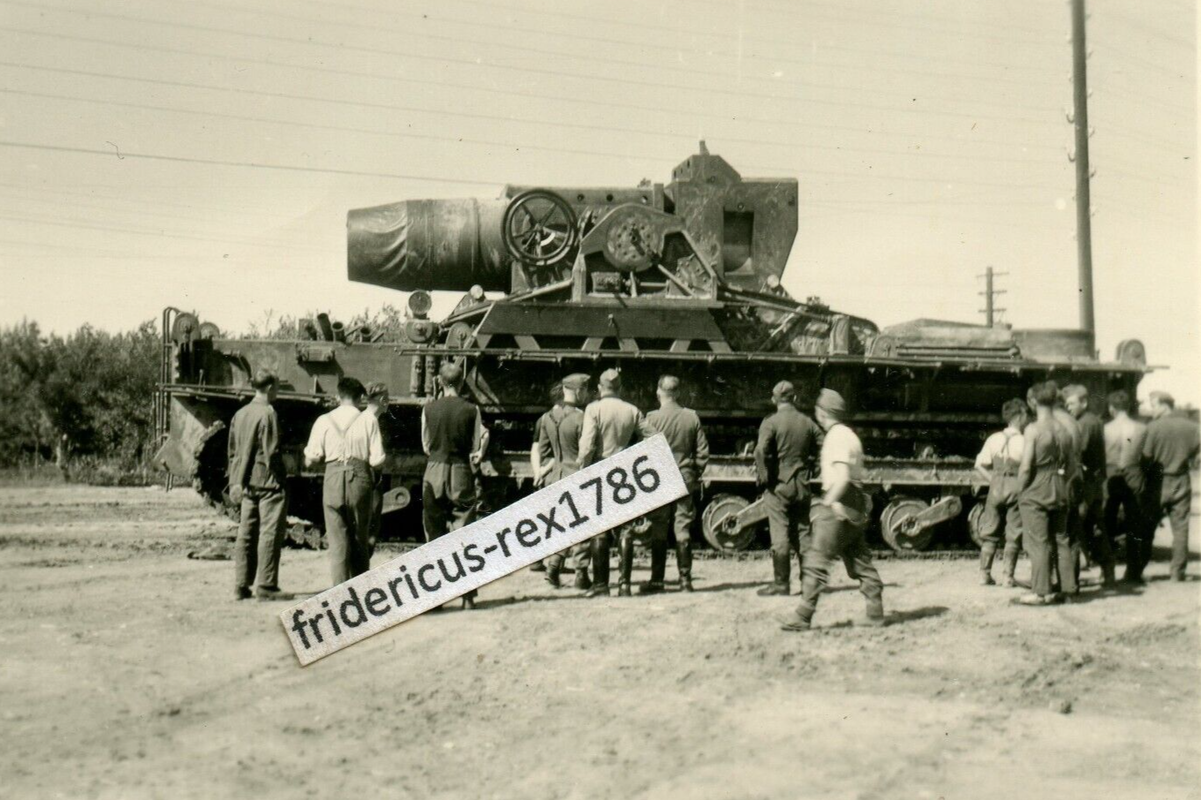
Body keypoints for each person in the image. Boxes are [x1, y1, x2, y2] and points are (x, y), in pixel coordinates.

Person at [777, 389, 884, 631]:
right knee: (859, 560)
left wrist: (828, 503)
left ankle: (803, 616)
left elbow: (842, 477)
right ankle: (875, 612)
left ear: (822, 413)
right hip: (856, 503)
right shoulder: (851, 436)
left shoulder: (835, 437)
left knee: (816, 559)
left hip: (840, 502)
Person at [578, 368, 654, 598]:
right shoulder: (632, 410)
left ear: (600, 388)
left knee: (599, 530)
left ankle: (601, 585)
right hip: (624, 472)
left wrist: (583, 467)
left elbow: (588, 445)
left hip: (599, 470)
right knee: (626, 530)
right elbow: (653, 436)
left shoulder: (593, 409)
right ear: (620, 388)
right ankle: (624, 585)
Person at [421, 362, 489, 609]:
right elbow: (474, 446)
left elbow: (425, 445)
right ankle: (468, 596)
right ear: (462, 383)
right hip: (460, 471)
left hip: (434, 470)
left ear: (439, 381)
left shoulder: (428, 409)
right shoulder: (472, 410)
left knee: (433, 532)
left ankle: (434, 597)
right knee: (465, 532)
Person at [227, 368, 292, 601]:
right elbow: (272, 451)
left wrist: (237, 480)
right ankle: (266, 585)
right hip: (267, 482)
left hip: (246, 483)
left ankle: (240, 585)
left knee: (246, 533)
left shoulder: (241, 413)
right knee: (269, 532)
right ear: (271, 387)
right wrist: (281, 479)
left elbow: (232, 450)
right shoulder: (268, 413)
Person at [641, 375, 710, 593]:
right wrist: (695, 472)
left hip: (659, 477)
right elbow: (702, 452)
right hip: (684, 475)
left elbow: (645, 451)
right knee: (682, 527)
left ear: (658, 392)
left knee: (659, 527)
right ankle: (685, 581)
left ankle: (657, 580)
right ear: (678, 393)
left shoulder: (651, 418)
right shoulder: (691, 417)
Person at [754, 380, 821, 596]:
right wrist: (816, 467)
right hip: (802, 483)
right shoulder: (807, 422)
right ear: (794, 398)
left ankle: (782, 584)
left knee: (779, 533)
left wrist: (765, 478)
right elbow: (824, 443)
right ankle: (809, 584)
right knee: (803, 532)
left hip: (779, 485)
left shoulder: (770, 422)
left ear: (774, 399)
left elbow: (760, 452)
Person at [304, 377, 371, 587]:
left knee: (337, 543)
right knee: (360, 539)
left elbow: (312, 457)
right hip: (359, 478)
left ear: (337, 397)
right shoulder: (369, 420)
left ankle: (339, 595)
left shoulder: (323, 420)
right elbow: (378, 459)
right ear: (360, 398)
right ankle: (361, 592)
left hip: (332, 477)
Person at [1014, 381, 1077, 605]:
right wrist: (1061, 480)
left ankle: (1040, 592)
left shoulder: (1033, 430)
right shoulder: (1065, 431)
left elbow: (1025, 467)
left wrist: (1020, 490)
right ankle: (1068, 590)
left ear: (1032, 402)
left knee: (1038, 542)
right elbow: (1071, 467)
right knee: (1061, 539)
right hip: (1060, 486)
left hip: (1037, 487)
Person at [532, 374, 592, 589]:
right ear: (577, 391)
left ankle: (553, 567)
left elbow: (544, 451)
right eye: (584, 390)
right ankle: (581, 574)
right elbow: (587, 450)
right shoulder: (582, 417)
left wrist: (541, 471)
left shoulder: (548, 417)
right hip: (575, 474)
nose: (586, 394)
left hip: (555, 476)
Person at [1139, 391, 1200, 582]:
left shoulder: (1153, 427)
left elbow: (1145, 457)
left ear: (1165, 405)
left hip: (1158, 481)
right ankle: (1177, 572)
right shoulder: (1193, 427)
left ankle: (1135, 570)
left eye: (1154, 404)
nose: (1151, 409)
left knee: (1147, 527)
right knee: (1181, 528)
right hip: (1181, 478)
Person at [1063, 384, 1115, 587]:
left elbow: (1078, 453)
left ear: (1084, 402)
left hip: (1086, 484)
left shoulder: (1084, 424)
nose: (1068, 408)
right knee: (1095, 527)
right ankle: (1108, 571)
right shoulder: (1092, 421)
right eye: (1066, 404)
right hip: (1094, 483)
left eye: (1072, 403)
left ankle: (1071, 579)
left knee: (1075, 528)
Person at [974, 398, 1027, 587]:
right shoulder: (1025, 440)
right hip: (1016, 486)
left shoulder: (993, 438)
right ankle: (1008, 577)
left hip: (996, 487)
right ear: (1019, 416)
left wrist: (993, 480)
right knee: (1013, 533)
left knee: (989, 532)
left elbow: (979, 464)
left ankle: (984, 574)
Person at [1103, 390, 1148, 582]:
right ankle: (1133, 571)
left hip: (1111, 472)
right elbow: (1146, 455)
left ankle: (1108, 569)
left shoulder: (1105, 428)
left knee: (1107, 521)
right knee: (1135, 522)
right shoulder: (1141, 428)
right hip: (1133, 472)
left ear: (1111, 408)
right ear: (1129, 407)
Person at [346, 381, 389, 575]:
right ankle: (360, 575)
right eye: (386, 398)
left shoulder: (360, 418)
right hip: (366, 473)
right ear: (381, 400)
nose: (388, 402)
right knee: (367, 529)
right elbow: (377, 459)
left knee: (358, 527)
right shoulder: (371, 420)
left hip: (353, 471)